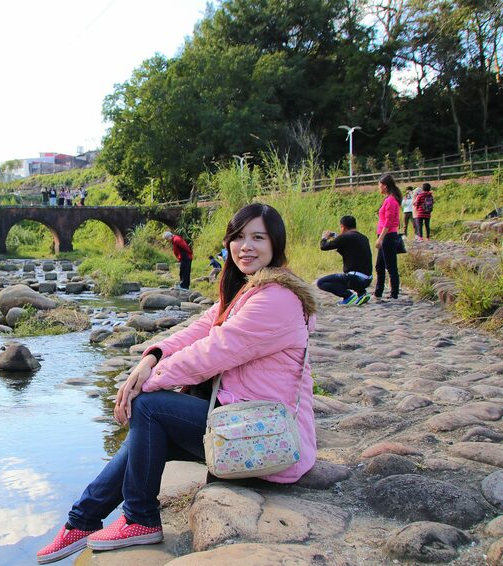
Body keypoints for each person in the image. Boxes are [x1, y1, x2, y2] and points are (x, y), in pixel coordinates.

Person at [36, 204, 317, 564]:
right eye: (238, 237)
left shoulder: (275, 299)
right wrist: (152, 356)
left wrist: (144, 384)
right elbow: (200, 328)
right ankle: (82, 520)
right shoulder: (248, 290)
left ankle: (139, 519)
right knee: (149, 432)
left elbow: (212, 352)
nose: (246, 246)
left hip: (266, 441)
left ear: (275, 244)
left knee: (149, 407)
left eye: (258, 238)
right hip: (241, 424)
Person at [316, 215, 373, 305]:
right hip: (367, 280)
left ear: (343, 227)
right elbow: (350, 249)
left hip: (355, 279)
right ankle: (362, 294)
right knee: (354, 271)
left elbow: (324, 247)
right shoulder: (364, 238)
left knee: (321, 282)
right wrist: (337, 237)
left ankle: (348, 296)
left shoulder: (345, 237)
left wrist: (324, 238)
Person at [374, 173, 402, 299]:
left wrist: (381, 238)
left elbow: (389, 221)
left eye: (379, 185)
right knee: (379, 266)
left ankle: (394, 293)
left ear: (384, 186)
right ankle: (378, 292)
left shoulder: (390, 200)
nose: (378, 187)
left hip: (388, 236)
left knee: (391, 266)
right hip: (386, 234)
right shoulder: (388, 199)